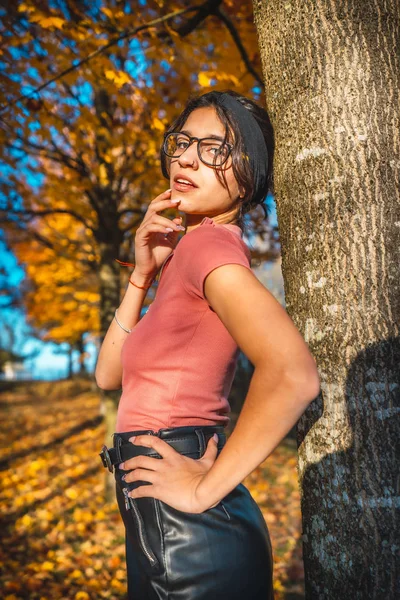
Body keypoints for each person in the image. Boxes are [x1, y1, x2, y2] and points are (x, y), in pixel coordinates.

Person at [96, 90, 320, 600]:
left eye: (216, 149)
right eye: (183, 143)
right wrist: (143, 276)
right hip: (167, 524)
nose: (188, 158)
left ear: (248, 176)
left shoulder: (207, 246)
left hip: (190, 534)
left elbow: (293, 373)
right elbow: (109, 377)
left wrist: (204, 487)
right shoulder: (184, 256)